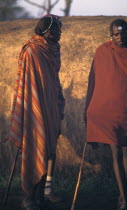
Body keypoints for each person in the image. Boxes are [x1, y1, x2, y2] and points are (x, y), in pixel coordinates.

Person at [9, 14, 65, 210]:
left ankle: (41, 194)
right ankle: (28, 197)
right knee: (34, 149)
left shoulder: (53, 50)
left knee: (49, 149)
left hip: (50, 106)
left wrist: (59, 102)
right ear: (46, 30)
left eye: (60, 29)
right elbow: (27, 83)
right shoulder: (32, 51)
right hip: (33, 109)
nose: (59, 33)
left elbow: (54, 79)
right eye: (56, 29)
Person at [85, 19, 127, 210]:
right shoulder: (102, 52)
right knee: (116, 153)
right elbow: (94, 80)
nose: (120, 37)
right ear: (110, 35)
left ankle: (123, 194)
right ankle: (123, 198)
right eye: (116, 34)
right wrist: (88, 109)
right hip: (110, 113)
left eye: (123, 33)